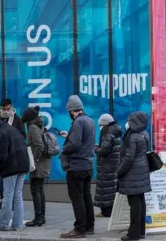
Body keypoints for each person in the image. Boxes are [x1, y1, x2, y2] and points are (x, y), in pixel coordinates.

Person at [60, 95, 96, 239]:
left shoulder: (78, 122)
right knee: (86, 196)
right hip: (88, 165)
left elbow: (74, 144)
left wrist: (64, 149)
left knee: (77, 197)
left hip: (77, 166)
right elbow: (84, 141)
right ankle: (89, 226)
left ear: (71, 110)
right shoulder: (90, 120)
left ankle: (79, 228)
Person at [117, 112, 151, 241]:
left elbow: (129, 158)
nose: (127, 123)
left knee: (135, 204)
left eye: (129, 121)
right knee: (140, 202)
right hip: (141, 170)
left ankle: (133, 234)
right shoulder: (144, 134)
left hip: (133, 173)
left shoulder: (133, 137)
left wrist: (119, 171)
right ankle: (141, 230)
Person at [0, 119, 29, 231]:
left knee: (8, 194)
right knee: (17, 194)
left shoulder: (1, 133)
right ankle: (18, 225)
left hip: (12, 167)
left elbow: (2, 156)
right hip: (23, 165)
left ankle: (3, 223)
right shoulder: (12, 130)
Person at [22, 106, 51, 227]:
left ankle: (38, 218)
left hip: (38, 164)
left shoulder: (33, 128)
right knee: (39, 189)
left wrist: (34, 160)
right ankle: (41, 217)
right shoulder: (39, 126)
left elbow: (39, 146)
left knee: (35, 190)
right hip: (43, 163)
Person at [94, 114, 122, 217]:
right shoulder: (115, 132)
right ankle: (108, 211)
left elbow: (104, 150)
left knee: (105, 188)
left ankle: (106, 211)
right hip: (113, 164)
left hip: (107, 165)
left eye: (101, 125)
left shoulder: (108, 134)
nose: (100, 127)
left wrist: (95, 148)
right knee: (110, 188)